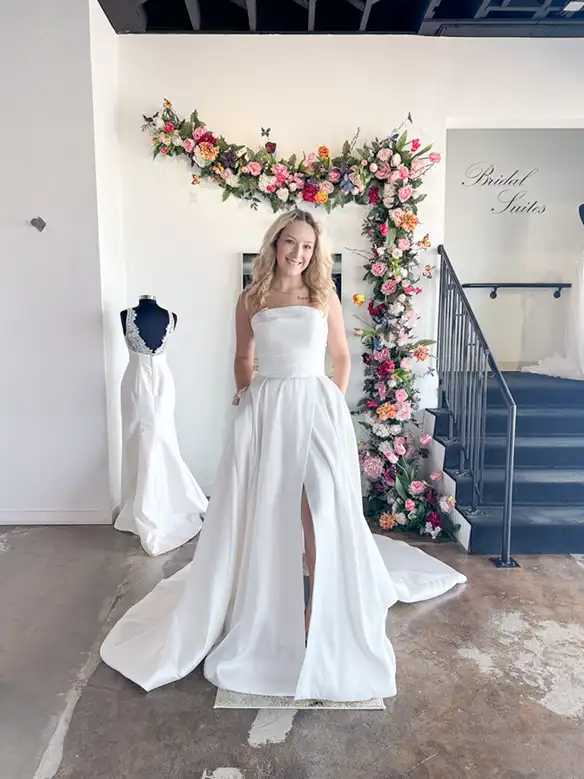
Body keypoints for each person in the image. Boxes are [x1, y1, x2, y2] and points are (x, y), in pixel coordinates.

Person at [100, 208, 466, 702]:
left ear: (316, 253)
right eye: (290, 242)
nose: (298, 253)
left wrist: (332, 400)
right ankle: (266, 612)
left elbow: (341, 356)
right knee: (268, 508)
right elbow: (241, 356)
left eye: (308, 246)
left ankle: (318, 614)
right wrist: (244, 393)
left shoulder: (323, 295)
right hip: (266, 410)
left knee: (318, 508)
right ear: (275, 244)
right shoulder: (251, 297)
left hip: (316, 411)